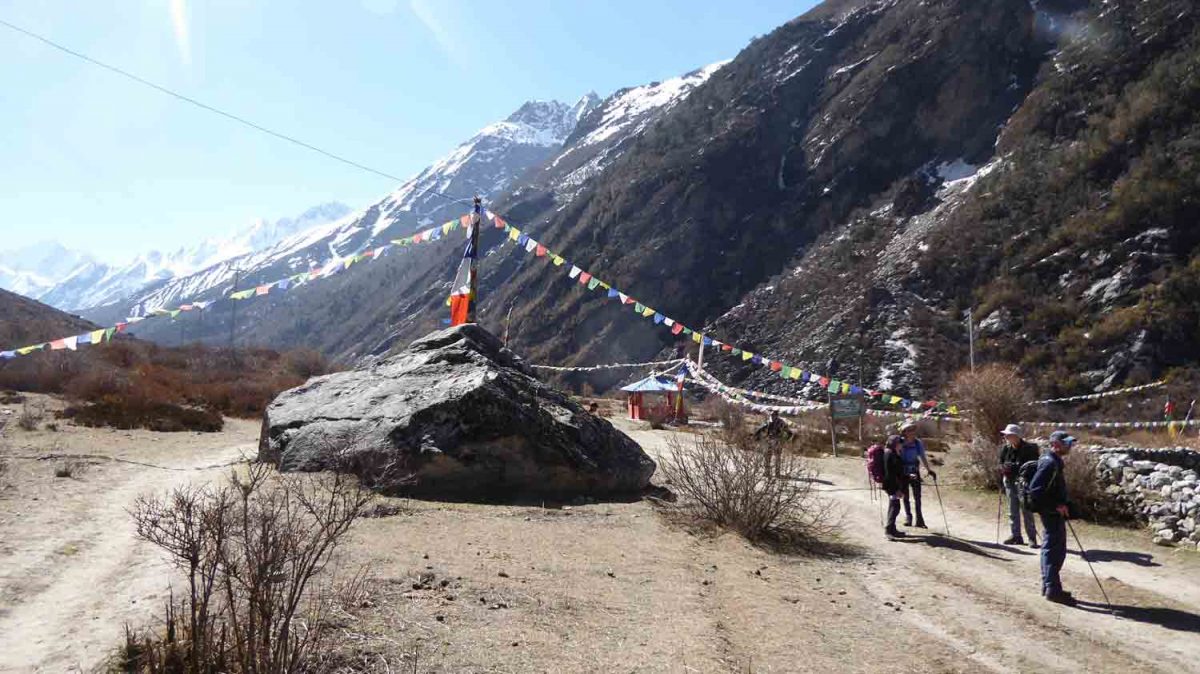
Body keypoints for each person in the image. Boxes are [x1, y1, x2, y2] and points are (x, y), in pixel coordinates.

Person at [1027, 430, 1076, 605]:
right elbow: (1035, 490)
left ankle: (1049, 586)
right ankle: (1052, 589)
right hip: (1051, 513)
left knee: (1054, 548)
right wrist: (1056, 506)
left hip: (1053, 512)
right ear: (1056, 444)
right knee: (1053, 550)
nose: (1070, 446)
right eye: (1067, 443)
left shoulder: (1054, 461)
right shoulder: (1049, 463)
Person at [998, 423, 1040, 547]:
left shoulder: (1030, 448)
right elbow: (1000, 462)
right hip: (1010, 482)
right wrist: (1003, 469)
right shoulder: (1006, 448)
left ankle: (1032, 538)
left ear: (1016, 436)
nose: (1006, 437)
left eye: (1009, 435)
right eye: (1006, 435)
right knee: (1012, 510)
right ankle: (1016, 536)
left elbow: (1032, 465)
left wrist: (1014, 467)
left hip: (1024, 483)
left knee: (1026, 510)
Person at [897, 421, 936, 528]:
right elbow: (896, 456)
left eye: (913, 430)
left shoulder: (918, 443)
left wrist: (928, 470)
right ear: (904, 432)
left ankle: (920, 519)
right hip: (903, 471)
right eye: (909, 430)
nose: (912, 432)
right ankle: (908, 517)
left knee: (917, 496)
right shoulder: (900, 443)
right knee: (905, 496)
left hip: (914, 470)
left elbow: (922, 457)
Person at [881, 434, 907, 538]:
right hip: (891, 485)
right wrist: (896, 489)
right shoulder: (889, 454)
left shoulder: (893, 453)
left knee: (894, 506)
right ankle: (888, 530)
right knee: (894, 507)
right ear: (895, 443)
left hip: (894, 484)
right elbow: (890, 473)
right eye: (900, 442)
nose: (902, 444)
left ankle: (892, 529)